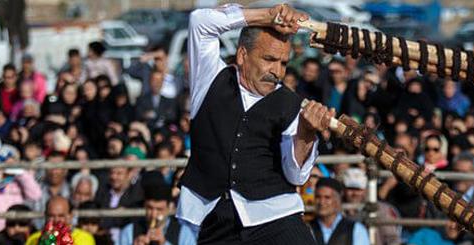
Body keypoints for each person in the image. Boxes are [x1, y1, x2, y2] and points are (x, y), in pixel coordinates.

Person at [175, 3, 333, 244]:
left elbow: (296, 176)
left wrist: (306, 133)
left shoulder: (292, 104)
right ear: (242, 55)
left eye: (283, 63)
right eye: (269, 59)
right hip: (215, 215)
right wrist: (267, 16)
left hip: (275, 215)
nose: (277, 72)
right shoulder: (209, 79)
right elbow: (200, 21)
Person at [118, 183, 195, 245]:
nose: (153, 215)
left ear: (169, 208)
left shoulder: (184, 233)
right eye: (150, 208)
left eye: (159, 209)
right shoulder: (129, 231)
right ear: (144, 205)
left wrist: (164, 243)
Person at [341, 168, 402, 245]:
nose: (355, 193)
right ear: (343, 189)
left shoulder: (381, 209)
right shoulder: (337, 211)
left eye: (358, 189)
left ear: (365, 189)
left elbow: (393, 240)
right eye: (350, 188)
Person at [311, 178, 369, 245]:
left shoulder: (356, 230)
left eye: (327, 197)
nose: (321, 202)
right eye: (318, 197)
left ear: (338, 200)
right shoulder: (307, 229)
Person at [24, 197, 95, 245]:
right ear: (45, 215)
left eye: (61, 216)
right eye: (51, 216)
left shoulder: (85, 238)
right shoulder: (33, 238)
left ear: (70, 215)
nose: (56, 220)